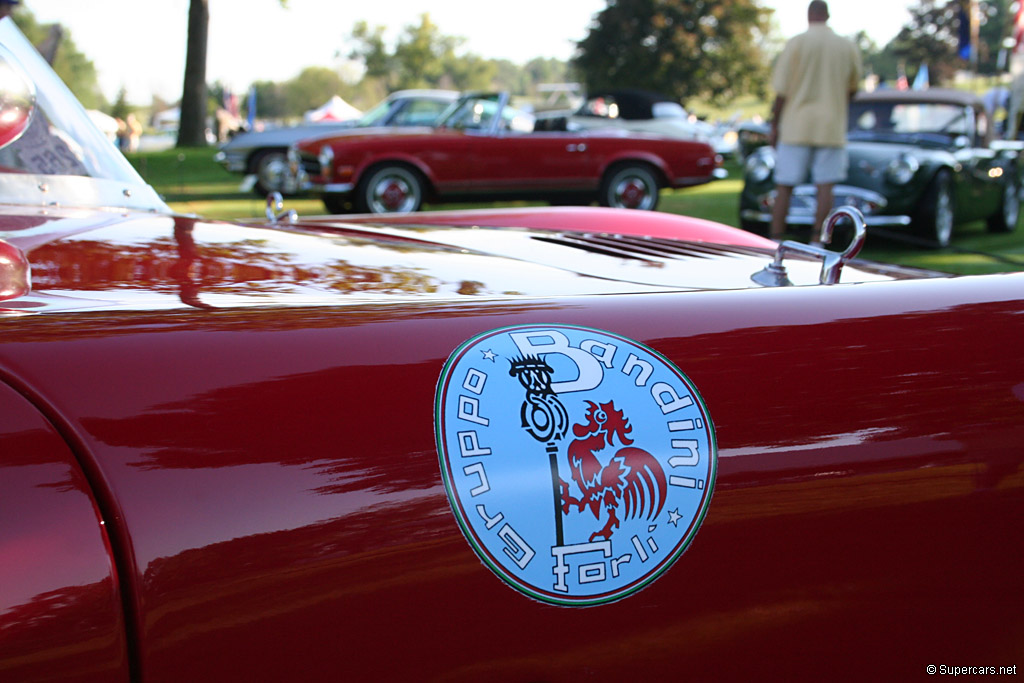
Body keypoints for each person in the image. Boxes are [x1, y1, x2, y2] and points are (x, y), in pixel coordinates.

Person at [769, 0, 862, 242]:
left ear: (809, 15)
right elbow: (853, 89)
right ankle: (817, 241)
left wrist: (774, 125)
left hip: (795, 124)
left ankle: (776, 240)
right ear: (827, 15)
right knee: (825, 188)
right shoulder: (846, 46)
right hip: (831, 125)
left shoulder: (797, 43)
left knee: (784, 187)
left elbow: (782, 91)